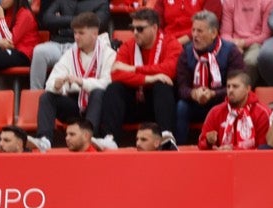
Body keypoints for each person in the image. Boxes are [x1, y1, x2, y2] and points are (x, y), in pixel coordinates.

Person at [35, 11, 117, 148]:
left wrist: (81, 82)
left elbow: (108, 83)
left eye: (81, 33)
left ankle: (89, 138)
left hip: (99, 107)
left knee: (98, 93)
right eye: (75, 33)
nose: (76, 37)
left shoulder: (108, 54)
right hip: (76, 105)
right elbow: (51, 82)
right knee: (47, 97)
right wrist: (58, 86)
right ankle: (44, 140)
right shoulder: (70, 54)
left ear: (94, 33)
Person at [103, 7, 179, 139]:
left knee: (162, 84)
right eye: (132, 28)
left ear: (154, 28)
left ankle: (166, 136)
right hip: (135, 101)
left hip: (158, 105)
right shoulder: (128, 46)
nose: (135, 33)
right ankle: (110, 138)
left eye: (140, 29)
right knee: (114, 88)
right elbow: (116, 73)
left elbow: (170, 70)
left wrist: (133, 69)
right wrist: (148, 78)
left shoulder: (170, 43)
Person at [175, 11, 246, 141]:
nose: (195, 35)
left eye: (200, 31)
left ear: (213, 33)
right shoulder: (186, 52)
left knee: (233, 104)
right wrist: (194, 93)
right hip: (195, 102)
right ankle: (179, 147)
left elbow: (238, 86)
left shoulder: (231, 52)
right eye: (193, 30)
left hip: (222, 100)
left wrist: (213, 94)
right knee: (181, 106)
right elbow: (181, 87)